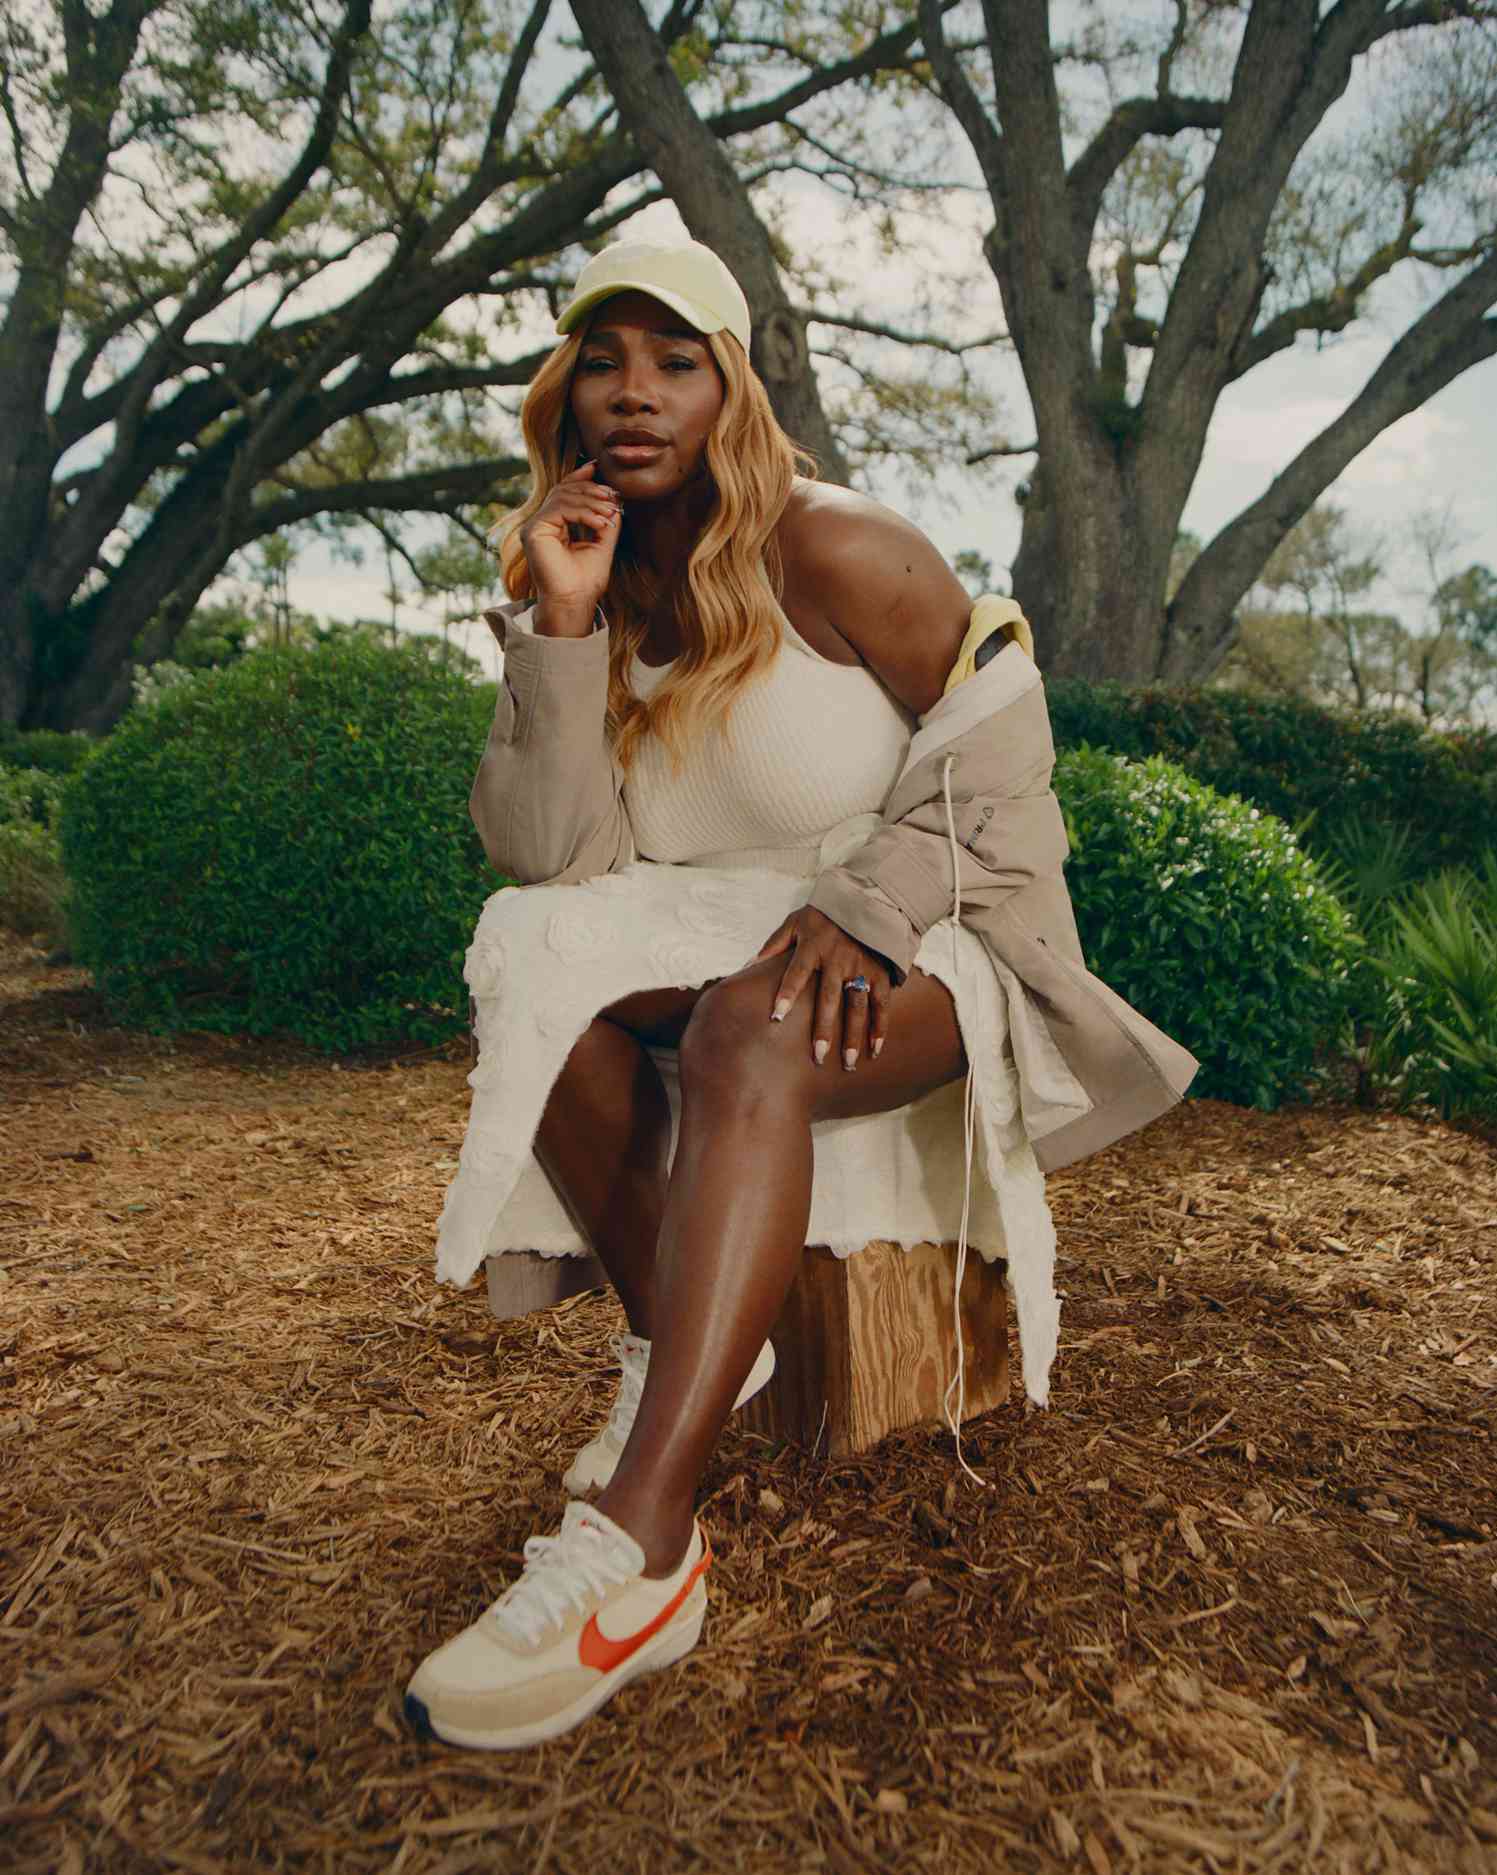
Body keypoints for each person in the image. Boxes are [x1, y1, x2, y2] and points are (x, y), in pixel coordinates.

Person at [406, 238, 1197, 1753]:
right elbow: (547, 857)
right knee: (534, 958)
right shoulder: (580, 568)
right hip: (721, 926)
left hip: (931, 926)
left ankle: (643, 1548)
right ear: (564, 387)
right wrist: (563, 623)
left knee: (748, 1025)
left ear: (731, 382)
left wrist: (872, 908)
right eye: (605, 358)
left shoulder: (838, 547)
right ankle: (683, 1342)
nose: (635, 393)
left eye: (676, 360)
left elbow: (1005, 761)